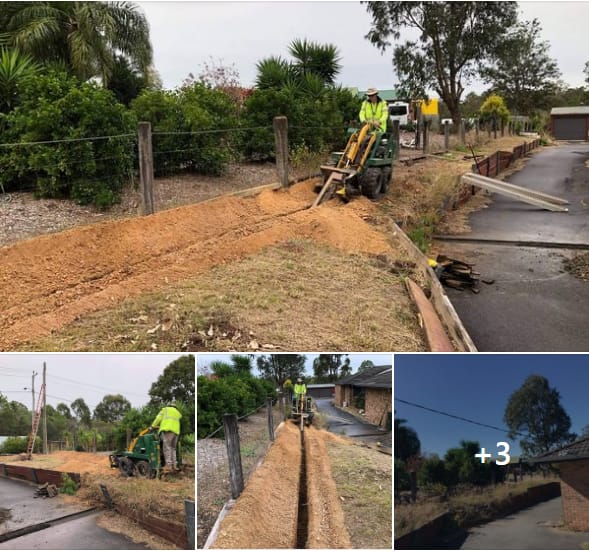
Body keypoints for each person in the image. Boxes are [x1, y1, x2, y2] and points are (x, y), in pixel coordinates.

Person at [150, 400, 182, 472]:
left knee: (167, 447)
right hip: (176, 432)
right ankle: (175, 465)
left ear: (169, 406)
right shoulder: (177, 413)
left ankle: (168, 465)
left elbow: (158, 418)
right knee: (173, 448)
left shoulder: (165, 410)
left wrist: (152, 426)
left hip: (168, 431)